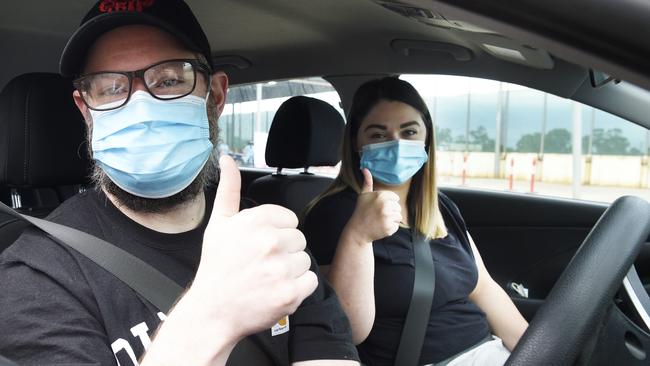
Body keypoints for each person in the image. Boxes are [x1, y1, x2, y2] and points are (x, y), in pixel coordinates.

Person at [0, 1, 359, 365]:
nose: (140, 108)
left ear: (215, 96)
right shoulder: (36, 275)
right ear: (85, 109)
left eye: (169, 80)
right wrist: (213, 315)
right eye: (110, 88)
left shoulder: (266, 237)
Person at [302, 77, 528, 366]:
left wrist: (540, 351)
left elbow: (483, 287)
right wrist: (358, 237)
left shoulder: (440, 207)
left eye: (409, 131)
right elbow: (348, 330)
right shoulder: (334, 213)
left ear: (426, 140)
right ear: (356, 144)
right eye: (378, 135)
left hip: (490, 351)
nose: (397, 144)